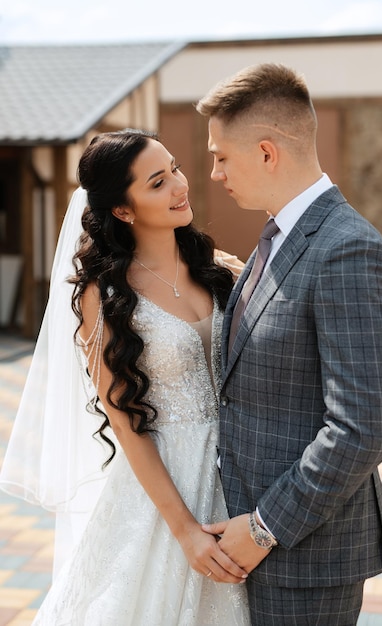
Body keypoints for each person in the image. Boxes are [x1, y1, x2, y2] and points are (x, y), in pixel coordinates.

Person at [0, 129, 251, 625]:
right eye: (158, 183)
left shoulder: (218, 266)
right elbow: (125, 423)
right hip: (164, 488)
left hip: (241, 471)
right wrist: (184, 532)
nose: (180, 186)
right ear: (123, 209)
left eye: (175, 169)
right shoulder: (104, 294)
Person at [196, 63, 382, 625]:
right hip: (248, 549)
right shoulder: (277, 237)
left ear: (266, 153)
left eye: (220, 156)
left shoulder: (347, 251)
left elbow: (360, 429)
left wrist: (264, 528)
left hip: (305, 559)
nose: (213, 173)